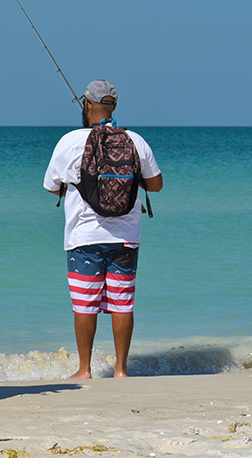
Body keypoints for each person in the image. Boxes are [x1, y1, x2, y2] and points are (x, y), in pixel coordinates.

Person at [43, 80, 163, 379]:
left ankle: (84, 370)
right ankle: (121, 370)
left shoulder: (69, 141)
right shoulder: (135, 140)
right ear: (114, 107)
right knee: (123, 303)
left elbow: (50, 187)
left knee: (85, 305)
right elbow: (157, 185)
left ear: (87, 105)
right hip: (126, 237)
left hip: (83, 237)